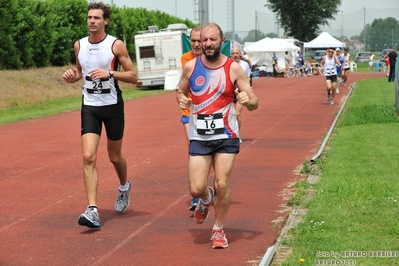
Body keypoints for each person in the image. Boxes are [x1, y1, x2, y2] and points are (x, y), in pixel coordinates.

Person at [175, 23, 258, 249]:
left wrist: (247, 101)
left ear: (222, 41)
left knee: (222, 183)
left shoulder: (234, 69)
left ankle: (218, 229)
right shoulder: (191, 67)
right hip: (200, 137)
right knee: (195, 188)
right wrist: (181, 99)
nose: (208, 44)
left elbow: (254, 100)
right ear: (199, 42)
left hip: (226, 134)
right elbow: (179, 90)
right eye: (204, 40)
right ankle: (204, 198)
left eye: (213, 39)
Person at [62, 1, 138, 229]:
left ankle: (124, 186)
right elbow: (80, 72)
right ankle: (93, 209)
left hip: (113, 106)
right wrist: (71, 76)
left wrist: (110, 73)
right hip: (90, 106)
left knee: (114, 157)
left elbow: (134, 76)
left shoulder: (116, 45)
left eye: (96, 18)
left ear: (105, 21)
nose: (92, 21)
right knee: (88, 157)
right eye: (89, 18)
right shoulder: (79, 45)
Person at [180, 26, 203, 211]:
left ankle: (213, 184)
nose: (196, 44)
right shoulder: (186, 59)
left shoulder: (215, 59)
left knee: (211, 152)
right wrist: (180, 96)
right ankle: (197, 195)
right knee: (193, 150)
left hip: (210, 112)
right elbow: (185, 84)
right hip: (190, 113)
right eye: (192, 40)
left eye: (199, 40)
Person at [231, 46, 252, 141]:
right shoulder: (228, 64)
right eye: (233, 53)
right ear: (231, 55)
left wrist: (247, 88)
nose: (235, 55)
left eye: (237, 53)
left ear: (240, 54)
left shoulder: (245, 65)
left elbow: (248, 77)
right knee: (228, 114)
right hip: (229, 93)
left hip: (240, 92)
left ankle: (237, 135)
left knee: (238, 114)